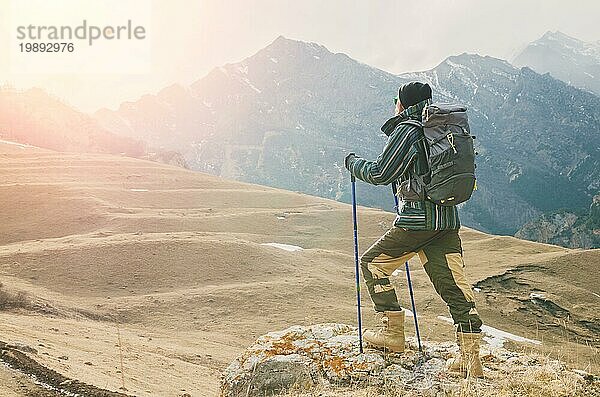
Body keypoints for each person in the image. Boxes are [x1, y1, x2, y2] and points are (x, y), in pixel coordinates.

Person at [344, 82, 484, 378]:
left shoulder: (407, 129)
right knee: (454, 286)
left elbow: (381, 173)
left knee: (373, 264)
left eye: (395, 100)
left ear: (402, 104)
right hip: (446, 220)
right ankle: (471, 358)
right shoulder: (441, 128)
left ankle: (392, 333)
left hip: (417, 222)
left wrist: (353, 164)